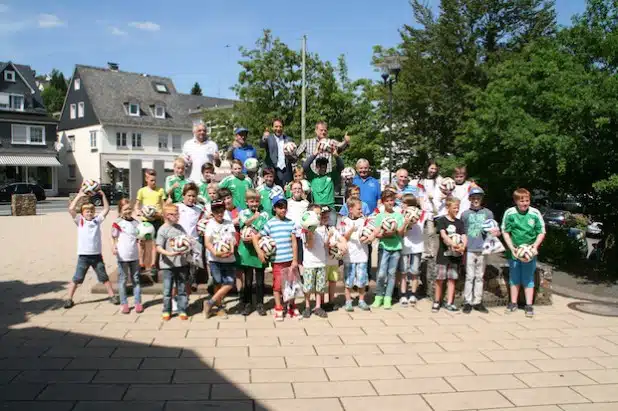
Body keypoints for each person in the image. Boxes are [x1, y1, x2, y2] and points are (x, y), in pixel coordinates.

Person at [65, 189, 119, 309]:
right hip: (83, 256)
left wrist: (103, 194)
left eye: (91, 211)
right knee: (77, 278)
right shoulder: (80, 221)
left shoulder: (96, 221)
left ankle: (112, 296)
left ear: (94, 212)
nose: (89, 213)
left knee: (104, 277)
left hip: (96, 256)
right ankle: (69, 298)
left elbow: (106, 209)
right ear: (82, 213)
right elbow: (71, 209)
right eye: (86, 211)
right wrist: (79, 195)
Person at [501, 188, 546, 318]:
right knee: (514, 277)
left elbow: (541, 231)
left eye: (527, 200)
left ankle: (528, 305)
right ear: (516, 201)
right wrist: (511, 248)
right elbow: (505, 231)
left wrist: (535, 247)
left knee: (528, 278)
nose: (525, 203)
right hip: (515, 252)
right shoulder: (509, 213)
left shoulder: (535, 213)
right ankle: (513, 303)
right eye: (522, 201)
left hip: (529, 253)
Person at [254, 196, 299, 321]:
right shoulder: (270, 224)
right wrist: (260, 253)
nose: (283, 210)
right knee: (278, 286)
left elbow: (294, 242)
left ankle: (291, 306)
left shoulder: (291, 223)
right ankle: (278, 307)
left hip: (289, 260)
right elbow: (255, 238)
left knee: (291, 285)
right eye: (279, 207)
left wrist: (295, 260)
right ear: (274, 208)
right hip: (277, 262)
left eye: (284, 207)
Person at [461, 186, 499, 314]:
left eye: (478, 197)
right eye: (474, 197)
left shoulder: (488, 213)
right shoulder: (465, 214)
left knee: (479, 276)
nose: (476, 199)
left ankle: (477, 301)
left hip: (483, 249)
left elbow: (494, 230)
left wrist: (495, 232)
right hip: (470, 249)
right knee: (469, 276)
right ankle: (467, 301)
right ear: (470, 198)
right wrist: (463, 246)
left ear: (482, 199)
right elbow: (463, 232)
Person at [372, 191, 407, 309]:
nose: (389, 203)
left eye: (391, 200)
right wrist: (384, 234)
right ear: (383, 202)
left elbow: (402, 234)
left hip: (396, 248)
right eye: (387, 201)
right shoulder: (380, 216)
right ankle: (378, 296)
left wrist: (397, 229)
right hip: (384, 248)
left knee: (392, 274)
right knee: (381, 273)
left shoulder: (398, 216)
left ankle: (388, 298)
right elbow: (377, 233)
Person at [203, 199, 238, 319]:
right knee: (217, 283)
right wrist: (216, 253)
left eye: (221, 210)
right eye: (216, 210)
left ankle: (210, 302)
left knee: (229, 283)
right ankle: (219, 308)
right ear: (212, 212)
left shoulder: (229, 223)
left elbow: (233, 239)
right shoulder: (210, 225)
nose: (219, 213)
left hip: (229, 259)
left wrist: (232, 248)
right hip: (215, 259)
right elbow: (207, 243)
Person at [155, 204, 190, 321]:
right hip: (167, 265)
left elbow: (186, 240)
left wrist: (188, 247)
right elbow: (158, 247)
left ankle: (182, 309)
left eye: (178, 213)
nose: (178, 216)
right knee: (167, 290)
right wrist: (169, 254)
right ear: (167, 215)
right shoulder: (162, 229)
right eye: (175, 214)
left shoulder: (180, 228)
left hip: (181, 263)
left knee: (182, 289)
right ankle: (166, 310)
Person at [238, 189, 269, 316]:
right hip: (246, 251)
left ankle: (260, 304)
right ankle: (248, 304)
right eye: (251, 201)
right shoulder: (244, 213)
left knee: (260, 281)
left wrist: (258, 237)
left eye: (256, 201)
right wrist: (253, 218)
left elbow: (266, 230)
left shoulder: (265, 215)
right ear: (246, 202)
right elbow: (244, 224)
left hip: (259, 250)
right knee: (248, 280)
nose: (254, 204)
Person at [434, 197, 467, 313]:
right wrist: (453, 244)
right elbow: (443, 235)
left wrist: (463, 246)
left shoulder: (460, 223)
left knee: (452, 279)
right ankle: (437, 301)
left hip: (455, 257)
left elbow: (463, 235)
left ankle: (450, 302)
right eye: (454, 208)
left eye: (458, 207)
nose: (457, 210)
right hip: (443, 256)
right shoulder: (441, 220)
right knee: (439, 279)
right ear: (448, 208)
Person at [341, 198, 372, 311]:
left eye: (361, 208)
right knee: (348, 280)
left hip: (362, 255)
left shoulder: (364, 220)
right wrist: (352, 230)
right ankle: (348, 301)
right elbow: (343, 237)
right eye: (358, 209)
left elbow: (369, 234)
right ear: (350, 209)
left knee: (362, 280)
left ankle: (361, 300)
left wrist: (368, 237)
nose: (361, 211)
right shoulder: (344, 221)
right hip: (349, 256)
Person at [352, 158, 381, 281]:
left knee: (368, 245)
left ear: (369, 168)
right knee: (354, 245)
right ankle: (353, 275)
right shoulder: (353, 181)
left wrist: (376, 214)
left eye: (365, 168)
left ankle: (367, 274)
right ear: (357, 169)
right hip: (355, 218)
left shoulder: (375, 182)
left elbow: (379, 199)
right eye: (361, 168)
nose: (363, 170)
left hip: (370, 218)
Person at [111, 199, 142, 314]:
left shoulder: (136, 223)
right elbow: (114, 237)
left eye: (129, 208)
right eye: (125, 209)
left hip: (134, 256)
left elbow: (139, 238)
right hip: (122, 257)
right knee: (122, 280)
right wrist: (113, 247)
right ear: (120, 211)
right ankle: (124, 303)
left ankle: (138, 302)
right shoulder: (117, 223)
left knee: (136, 280)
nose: (128, 211)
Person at [302, 143, 344, 226]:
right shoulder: (313, 177)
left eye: (324, 166)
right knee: (317, 231)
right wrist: (315, 153)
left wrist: (336, 155)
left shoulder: (331, 176)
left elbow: (341, 166)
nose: (322, 168)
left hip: (330, 208)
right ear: (316, 166)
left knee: (332, 232)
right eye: (320, 166)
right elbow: (305, 166)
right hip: (317, 209)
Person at [135, 169, 166, 278]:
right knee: (141, 242)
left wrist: (160, 214)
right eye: (151, 180)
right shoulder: (141, 191)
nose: (154, 182)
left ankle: (153, 265)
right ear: (146, 179)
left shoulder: (160, 190)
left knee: (154, 243)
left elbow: (164, 205)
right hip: (145, 221)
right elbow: (137, 205)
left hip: (157, 220)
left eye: (155, 180)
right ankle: (141, 264)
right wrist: (138, 211)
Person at [176, 182, 204, 305]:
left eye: (193, 196)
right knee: (181, 274)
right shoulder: (177, 207)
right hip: (180, 244)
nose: (191, 198)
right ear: (183, 195)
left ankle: (185, 299)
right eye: (189, 195)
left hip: (194, 244)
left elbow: (203, 223)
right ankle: (177, 298)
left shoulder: (199, 209)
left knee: (191, 274)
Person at [301, 203, 330, 318]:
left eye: (320, 214)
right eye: (316, 214)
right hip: (309, 263)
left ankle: (318, 306)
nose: (319, 216)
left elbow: (324, 244)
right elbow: (309, 245)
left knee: (320, 287)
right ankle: (307, 306)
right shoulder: (305, 230)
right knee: (308, 287)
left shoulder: (323, 228)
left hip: (321, 262)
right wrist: (310, 232)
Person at [398, 194, 425, 307]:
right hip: (405, 246)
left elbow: (426, 211)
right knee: (403, 271)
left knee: (414, 271)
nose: (402, 206)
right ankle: (403, 294)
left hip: (417, 246)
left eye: (404, 204)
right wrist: (405, 223)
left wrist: (420, 202)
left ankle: (413, 293)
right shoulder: (400, 215)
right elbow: (401, 232)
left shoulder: (421, 214)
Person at [323, 205, 346, 312]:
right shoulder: (319, 229)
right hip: (323, 262)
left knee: (332, 281)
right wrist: (333, 244)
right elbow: (324, 245)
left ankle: (331, 301)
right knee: (322, 283)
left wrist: (342, 245)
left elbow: (342, 239)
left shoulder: (333, 229)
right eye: (323, 216)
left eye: (327, 216)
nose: (326, 218)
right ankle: (322, 302)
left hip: (333, 262)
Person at [260, 118, 296, 187]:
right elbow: (262, 145)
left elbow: (294, 157)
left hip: (285, 171)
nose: (278, 129)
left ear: (283, 127)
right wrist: (264, 138)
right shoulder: (268, 138)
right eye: (276, 126)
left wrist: (291, 155)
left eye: (280, 126)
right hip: (272, 170)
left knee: (286, 191)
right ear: (272, 127)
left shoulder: (289, 139)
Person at [419, 160, 442, 258]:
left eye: (435, 169)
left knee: (442, 231)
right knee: (429, 232)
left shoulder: (440, 179)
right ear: (427, 168)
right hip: (428, 210)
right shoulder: (422, 180)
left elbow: (446, 190)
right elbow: (420, 194)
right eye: (431, 168)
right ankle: (429, 251)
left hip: (440, 209)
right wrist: (422, 206)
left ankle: (439, 252)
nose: (433, 170)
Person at [286, 181, 309, 266]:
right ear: (291, 190)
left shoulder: (306, 204)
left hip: (302, 236)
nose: (297, 190)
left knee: (301, 260)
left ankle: (301, 278)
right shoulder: (287, 203)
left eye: (299, 188)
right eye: (295, 188)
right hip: (290, 235)